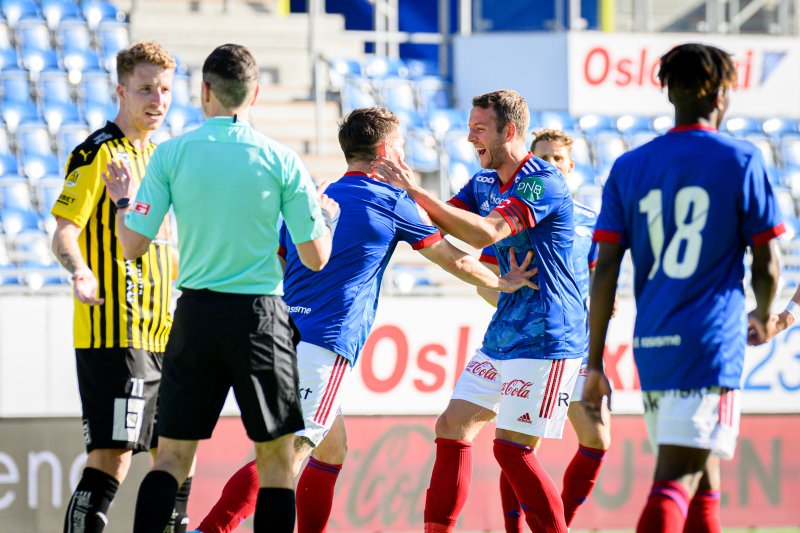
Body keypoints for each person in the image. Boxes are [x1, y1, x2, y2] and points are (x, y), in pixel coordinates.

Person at [187, 106, 537, 533]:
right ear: (386, 151)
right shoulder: (390, 199)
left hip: (280, 337)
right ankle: (210, 529)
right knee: (288, 455)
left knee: (331, 448)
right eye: (403, 147)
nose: (406, 155)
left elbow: (274, 264)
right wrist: (503, 282)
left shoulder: (315, 195)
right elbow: (456, 262)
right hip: (325, 344)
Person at [102, 43, 336, 533]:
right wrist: (323, 215)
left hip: (196, 317)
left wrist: (125, 201)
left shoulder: (170, 153)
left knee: (170, 460)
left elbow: (131, 245)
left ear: (204, 91)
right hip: (260, 320)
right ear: (254, 95)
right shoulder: (282, 160)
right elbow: (316, 259)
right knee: (275, 465)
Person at [583, 43, 784, 533]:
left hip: (652, 344)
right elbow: (767, 257)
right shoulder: (740, 159)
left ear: (668, 92)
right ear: (720, 94)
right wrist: (764, 310)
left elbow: (605, 267)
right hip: (709, 343)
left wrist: (594, 363)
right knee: (677, 476)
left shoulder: (629, 167)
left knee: (703, 476)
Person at [372, 89, 586, 533]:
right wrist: (389, 199)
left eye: (479, 128)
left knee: (511, 450)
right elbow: (439, 218)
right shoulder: (484, 182)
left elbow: (486, 232)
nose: (469, 137)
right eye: (469, 127)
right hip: (504, 332)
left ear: (510, 131)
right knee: (452, 425)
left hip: (548, 336)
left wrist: (412, 189)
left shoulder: (540, 179)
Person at [51, 41, 193, 533]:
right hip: (116, 332)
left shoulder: (161, 156)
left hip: (165, 331)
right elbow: (64, 231)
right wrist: (80, 269)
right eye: (146, 89)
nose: (158, 99)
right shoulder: (97, 152)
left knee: (179, 452)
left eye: (166, 89)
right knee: (113, 458)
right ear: (120, 90)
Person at [478, 129, 611, 532]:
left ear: (570, 166)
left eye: (558, 159)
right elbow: (486, 273)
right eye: (543, 158)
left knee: (597, 439)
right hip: (536, 342)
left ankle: (559, 522)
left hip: (581, 344)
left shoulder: (590, 222)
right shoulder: (512, 218)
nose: (551, 164)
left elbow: (594, 279)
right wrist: (506, 294)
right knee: (520, 443)